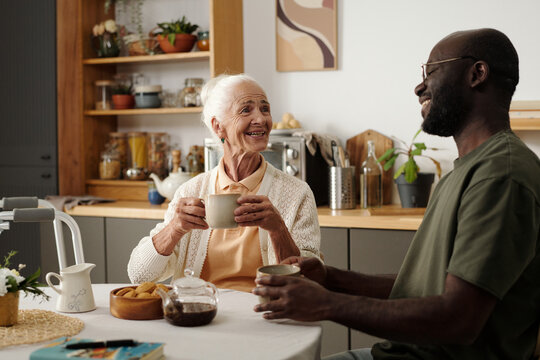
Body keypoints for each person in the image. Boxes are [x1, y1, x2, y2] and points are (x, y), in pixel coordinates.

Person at [253, 28, 540, 359]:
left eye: (431, 71)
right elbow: (422, 289)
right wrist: (329, 279)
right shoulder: (468, 171)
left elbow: (459, 319)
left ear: (477, 74)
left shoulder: (501, 176)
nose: (419, 87)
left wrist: (326, 304)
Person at [128, 74, 320, 292]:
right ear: (218, 127)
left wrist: (278, 230)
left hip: (264, 316)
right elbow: (138, 274)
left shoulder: (296, 193)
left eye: (265, 109)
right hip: (200, 313)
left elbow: (310, 282)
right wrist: (174, 229)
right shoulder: (191, 190)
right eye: (246, 110)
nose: (261, 119)